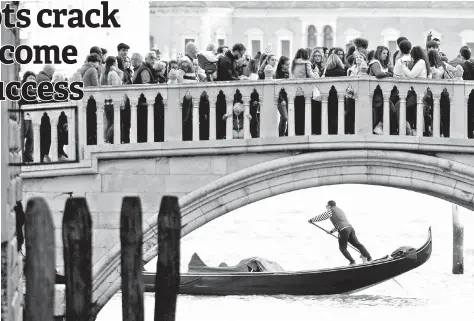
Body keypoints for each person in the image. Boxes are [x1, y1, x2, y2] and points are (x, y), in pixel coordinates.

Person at [308, 200, 372, 265]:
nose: (326, 207)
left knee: (343, 248)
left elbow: (322, 216)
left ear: (329, 206)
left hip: (343, 230)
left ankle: (352, 262)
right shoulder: (340, 210)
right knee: (358, 245)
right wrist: (331, 231)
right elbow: (340, 223)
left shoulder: (331, 210)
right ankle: (369, 258)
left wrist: (312, 220)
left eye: (326, 206)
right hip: (350, 228)